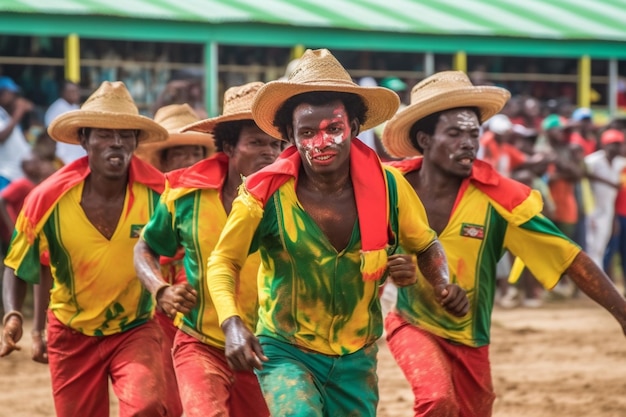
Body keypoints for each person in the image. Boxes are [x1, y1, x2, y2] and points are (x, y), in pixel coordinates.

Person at [205, 49, 468, 417]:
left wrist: (441, 283)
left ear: (354, 128)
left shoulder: (390, 187)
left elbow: (425, 244)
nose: (322, 142)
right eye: (307, 133)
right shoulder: (263, 195)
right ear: (290, 137)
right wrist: (232, 322)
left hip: (356, 358)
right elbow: (223, 260)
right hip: (285, 350)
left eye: (333, 129)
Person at [381, 70, 626, 417]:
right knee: (437, 401)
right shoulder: (388, 184)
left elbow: (569, 257)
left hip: (472, 338)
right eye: (454, 133)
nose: (468, 143)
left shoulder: (502, 200)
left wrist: (623, 314)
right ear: (425, 139)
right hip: (411, 322)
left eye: (473, 133)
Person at [0, 81, 179, 417]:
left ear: (136, 142)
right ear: (83, 139)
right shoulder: (46, 199)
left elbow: (187, 254)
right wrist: (13, 316)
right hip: (71, 334)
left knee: (149, 406)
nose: (116, 142)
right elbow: (17, 262)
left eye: (126, 134)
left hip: (136, 327)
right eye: (104, 134)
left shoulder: (160, 195)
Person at [134, 82, 280, 417]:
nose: (269, 153)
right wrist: (160, 290)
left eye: (275, 144)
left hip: (269, 350)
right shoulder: (185, 196)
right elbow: (146, 247)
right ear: (229, 145)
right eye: (256, 142)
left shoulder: (294, 200)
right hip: (199, 342)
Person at [584, 129, 626, 267]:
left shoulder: (620, 163)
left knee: (601, 248)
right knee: (592, 248)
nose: (617, 147)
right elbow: (583, 177)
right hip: (592, 210)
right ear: (604, 144)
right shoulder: (592, 161)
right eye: (614, 143)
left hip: (608, 211)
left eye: (619, 144)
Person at [0, 76, 32, 190]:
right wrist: (19, 112)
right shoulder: (10, 115)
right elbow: (2, 136)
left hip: (16, 174)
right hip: (5, 174)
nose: (14, 97)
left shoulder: (7, 114)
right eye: (10, 93)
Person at [44, 80, 85, 165]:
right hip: (63, 156)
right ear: (63, 93)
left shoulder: (74, 107)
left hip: (76, 154)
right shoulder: (57, 109)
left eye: (76, 91)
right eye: (71, 91)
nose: (75, 94)